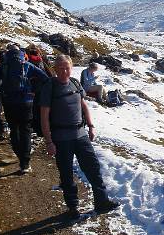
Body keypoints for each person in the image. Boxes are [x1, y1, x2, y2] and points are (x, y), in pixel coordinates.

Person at [40, 55, 118, 219]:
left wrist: (90, 126)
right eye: (60, 68)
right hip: (61, 138)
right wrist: (49, 141)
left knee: (93, 168)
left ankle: (101, 201)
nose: (64, 71)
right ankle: (73, 208)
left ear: (71, 67)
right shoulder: (50, 87)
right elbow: (44, 116)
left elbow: (83, 106)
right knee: (66, 173)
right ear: (55, 69)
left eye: (67, 67)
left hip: (81, 134)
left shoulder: (75, 83)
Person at [0, 46, 48, 173]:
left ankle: (19, 155)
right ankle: (25, 162)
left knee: (14, 129)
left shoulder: (4, 65)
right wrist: (34, 91)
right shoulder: (27, 64)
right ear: (21, 53)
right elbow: (45, 78)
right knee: (26, 130)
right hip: (26, 102)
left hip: (8, 102)